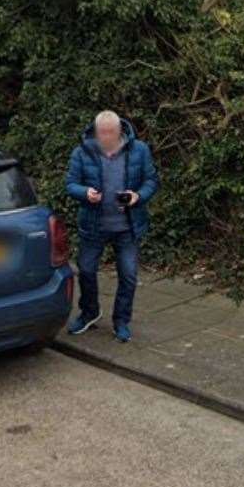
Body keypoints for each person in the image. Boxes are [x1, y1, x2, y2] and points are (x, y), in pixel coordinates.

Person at [64, 110, 158, 343]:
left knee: (128, 275)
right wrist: (85, 193)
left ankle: (121, 321)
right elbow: (70, 184)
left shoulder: (139, 150)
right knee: (85, 271)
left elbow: (151, 180)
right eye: (102, 132)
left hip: (127, 226)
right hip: (93, 226)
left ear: (120, 130)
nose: (106, 136)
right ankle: (89, 312)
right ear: (95, 131)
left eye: (111, 132)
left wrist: (138, 195)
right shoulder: (82, 152)